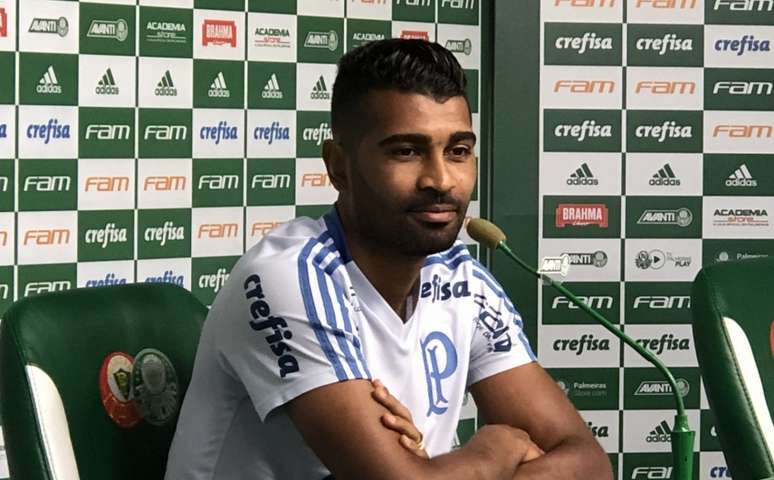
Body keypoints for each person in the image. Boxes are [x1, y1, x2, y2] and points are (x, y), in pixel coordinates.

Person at [165, 39, 611, 480]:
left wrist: (440, 471)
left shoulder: (460, 278)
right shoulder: (291, 277)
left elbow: (586, 463)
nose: (440, 179)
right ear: (338, 166)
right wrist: (496, 449)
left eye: (458, 151)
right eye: (406, 151)